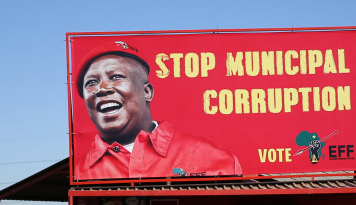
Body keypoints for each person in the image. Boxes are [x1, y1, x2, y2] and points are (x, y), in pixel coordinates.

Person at [74, 44, 242, 180]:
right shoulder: (78, 173)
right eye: (91, 82)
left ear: (147, 92)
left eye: (116, 76)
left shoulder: (215, 159)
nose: (102, 89)